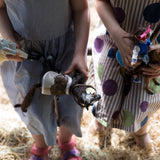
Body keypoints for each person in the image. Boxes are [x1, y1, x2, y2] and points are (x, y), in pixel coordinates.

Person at [0, 0, 90, 160]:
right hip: (25, 52)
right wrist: (9, 40)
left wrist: (79, 53)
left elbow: (81, 9)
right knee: (34, 106)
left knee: (71, 102)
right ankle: (41, 146)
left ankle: (66, 141)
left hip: (66, 48)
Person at [88, 0, 160, 151]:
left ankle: (140, 131)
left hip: (155, 46)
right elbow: (101, 2)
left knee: (144, 96)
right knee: (106, 88)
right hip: (114, 31)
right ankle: (100, 121)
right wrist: (118, 35)